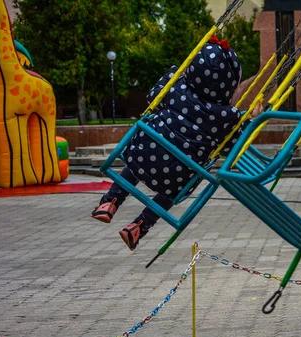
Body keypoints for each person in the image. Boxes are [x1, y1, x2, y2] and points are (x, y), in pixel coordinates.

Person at [91, 36, 256, 251]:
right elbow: (233, 146)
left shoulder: (176, 85)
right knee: (180, 178)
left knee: (145, 148)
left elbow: (153, 97)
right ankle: (140, 225)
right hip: (174, 178)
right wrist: (251, 120)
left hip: (143, 157)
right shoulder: (227, 117)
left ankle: (110, 202)